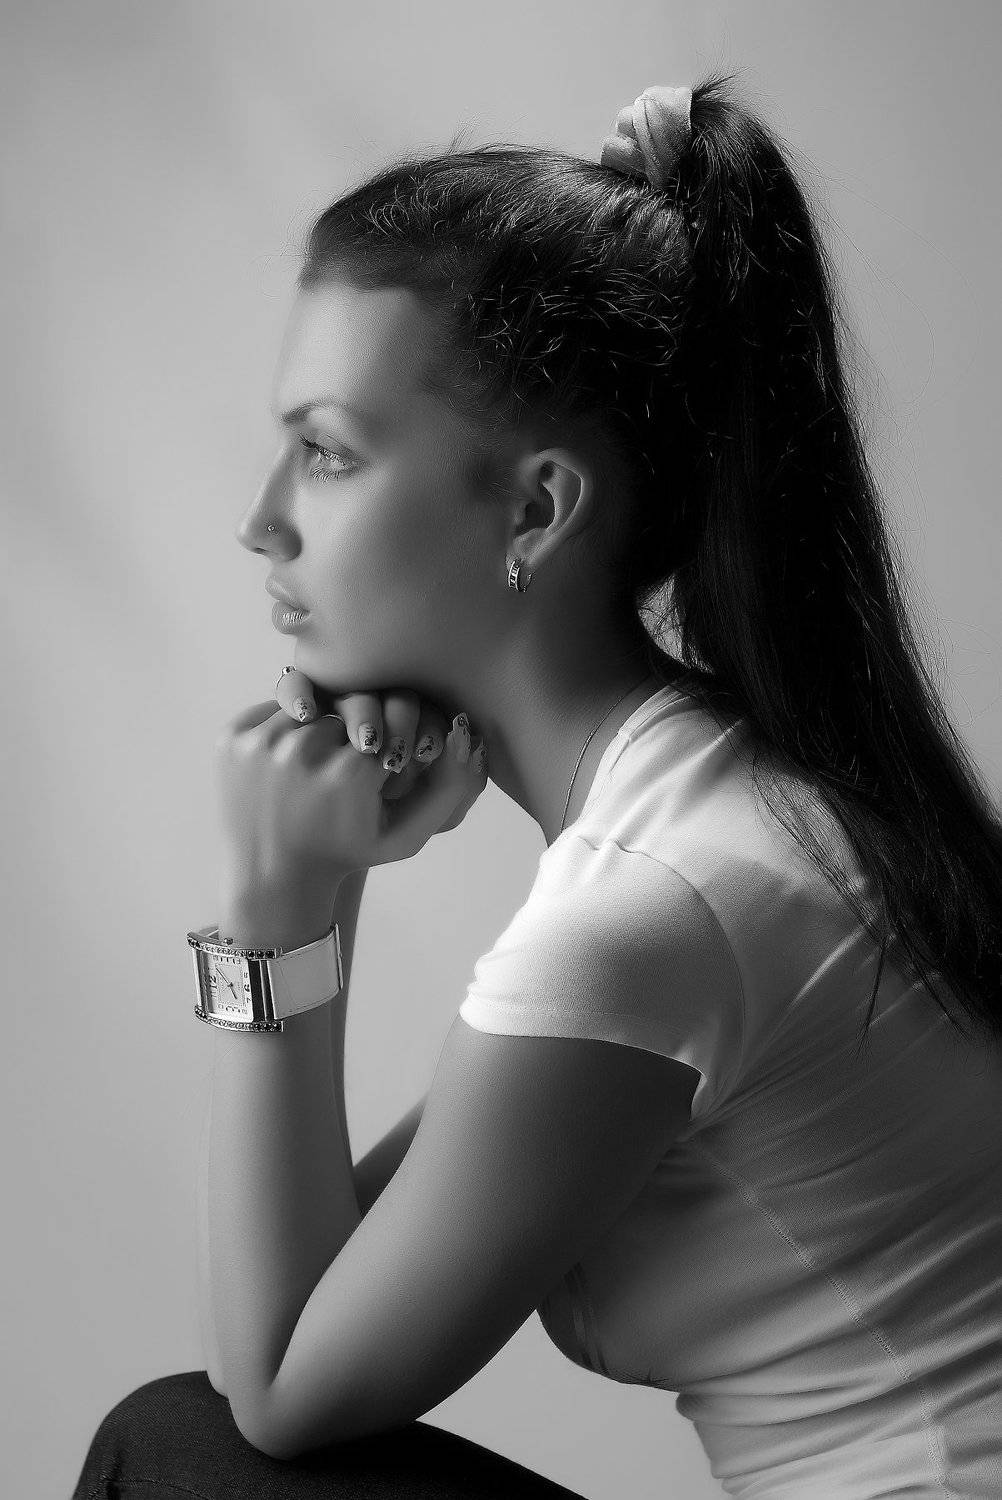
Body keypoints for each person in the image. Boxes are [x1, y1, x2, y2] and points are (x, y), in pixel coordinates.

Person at [73, 71, 1002, 1500]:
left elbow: (279, 1391)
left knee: (176, 1452)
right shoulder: (722, 802)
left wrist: (280, 909)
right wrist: (324, 894)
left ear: (534, 509)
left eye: (324, 451)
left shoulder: (656, 904)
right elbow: (319, 1298)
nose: (261, 521)